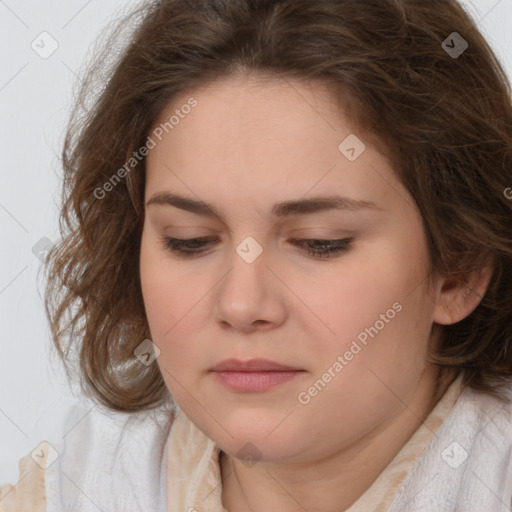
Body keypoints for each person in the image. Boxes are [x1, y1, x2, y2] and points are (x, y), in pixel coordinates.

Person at [2, 0, 512, 510]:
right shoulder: (69, 487)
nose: (241, 305)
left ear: (459, 269)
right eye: (189, 240)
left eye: (320, 242)